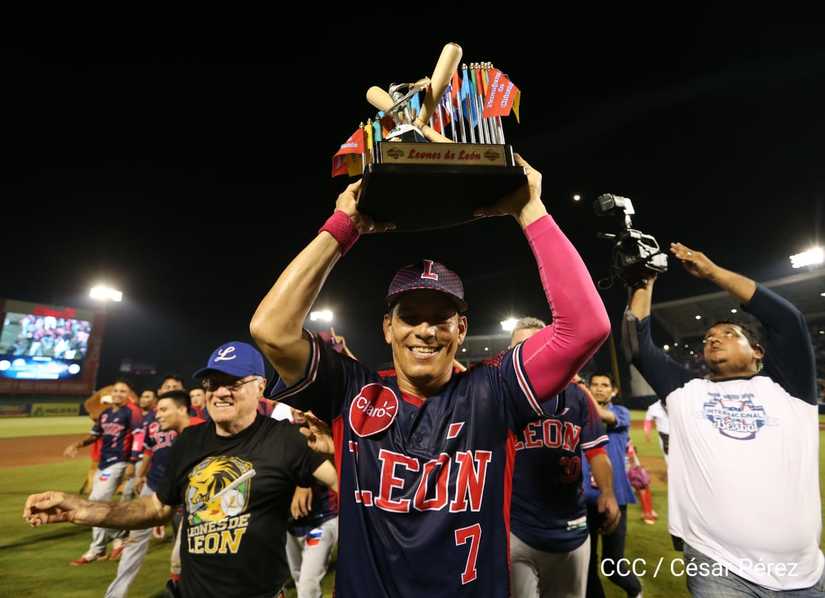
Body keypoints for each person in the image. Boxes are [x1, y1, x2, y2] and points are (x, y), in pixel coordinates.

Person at [250, 155, 610, 597]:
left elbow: (587, 327)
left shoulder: (494, 391)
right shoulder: (352, 390)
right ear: (388, 328)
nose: (425, 330)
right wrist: (344, 226)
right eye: (410, 316)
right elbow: (270, 330)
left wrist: (529, 209)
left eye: (442, 317)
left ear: (462, 329)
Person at [25, 341, 338, 598]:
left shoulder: (284, 439)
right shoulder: (190, 441)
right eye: (213, 383)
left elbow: (346, 486)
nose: (220, 392)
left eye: (234, 383)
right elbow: (157, 507)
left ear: (260, 387)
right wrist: (81, 509)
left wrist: (336, 450)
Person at [625, 243, 825, 595]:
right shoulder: (686, 391)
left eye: (729, 334)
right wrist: (644, 281)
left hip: (803, 572)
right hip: (717, 565)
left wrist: (713, 272)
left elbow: (787, 320)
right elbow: (637, 344)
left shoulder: (791, 389)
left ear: (758, 352)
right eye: (709, 338)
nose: (715, 339)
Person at [508, 318, 618, 598]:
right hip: (515, 527)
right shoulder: (498, 394)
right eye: (519, 348)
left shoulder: (578, 396)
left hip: (571, 527)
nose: (527, 354)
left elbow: (596, 451)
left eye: (535, 346)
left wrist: (607, 492)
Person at [104, 390, 205, 598]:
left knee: (184, 558)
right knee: (141, 543)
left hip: (192, 504)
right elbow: (150, 451)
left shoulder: (202, 431)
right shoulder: (176, 433)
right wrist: (141, 475)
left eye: (163, 410)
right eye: (158, 409)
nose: (157, 415)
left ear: (182, 409)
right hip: (158, 489)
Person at [63, 379, 142, 565]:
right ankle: (118, 537)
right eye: (116, 390)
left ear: (128, 395)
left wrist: (132, 461)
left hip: (119, 462)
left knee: (96, 503)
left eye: (123, 391)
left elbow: (139, 436)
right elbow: (95, 435)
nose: (118, 394)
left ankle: (97, 550)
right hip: (103, 464)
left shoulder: (132, 411)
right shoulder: (105, 413)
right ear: (111, 393)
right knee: (98, 506)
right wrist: (77, 444)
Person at [583, 373, 642, 598]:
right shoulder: (579, 415)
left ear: (613, 391)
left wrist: (578, 385)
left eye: (604, 385)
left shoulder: (620, 413)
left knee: (612, 566)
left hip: (615, 498)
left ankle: (635, 590)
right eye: (594, 385)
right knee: (586, 566)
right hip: (584, 499)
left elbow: (599, 414)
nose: (599, 389)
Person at [643, 398, 669, 463]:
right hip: (664, 435)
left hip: (678, 434)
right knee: (667, 454)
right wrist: (647, 433)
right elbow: (648, 421)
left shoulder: (677, 403)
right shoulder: (653, 407)